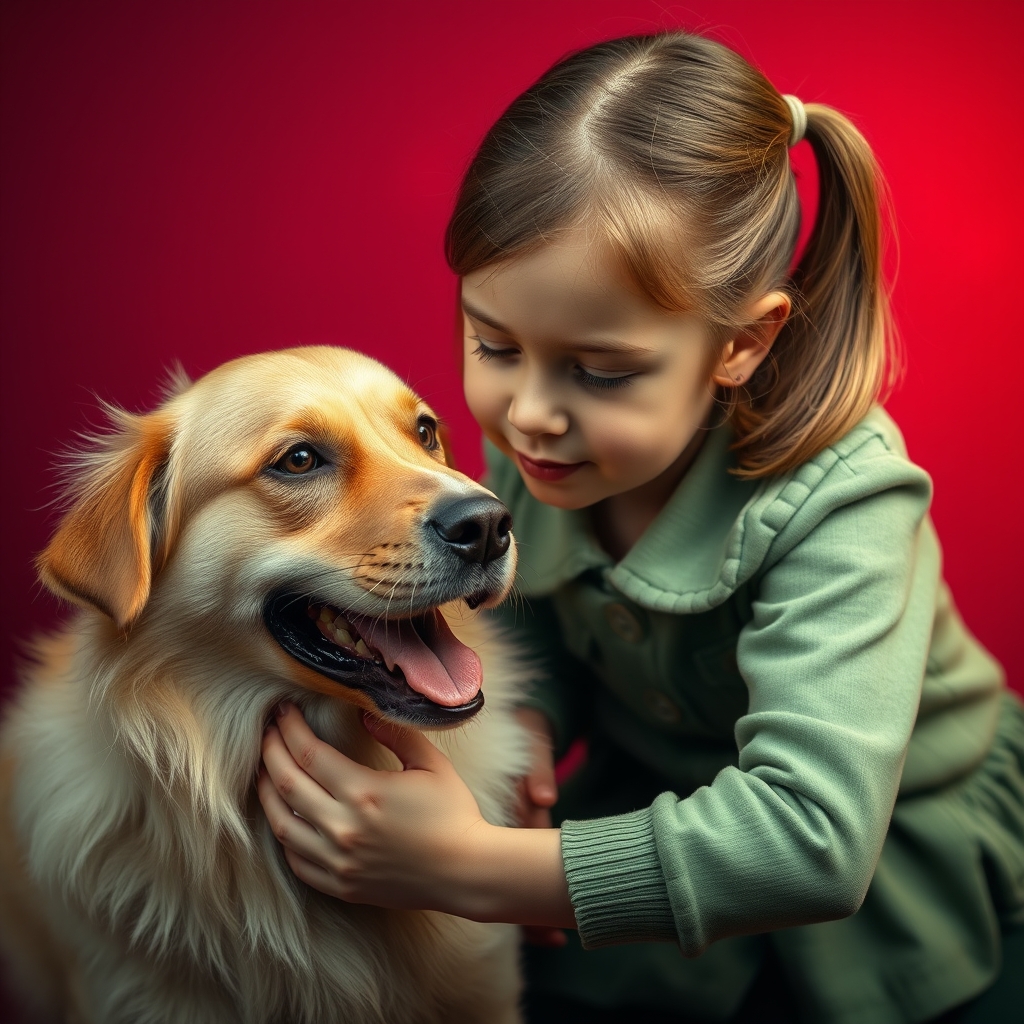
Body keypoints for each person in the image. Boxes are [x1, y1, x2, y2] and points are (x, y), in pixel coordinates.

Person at [257, 30, 1024, 1024]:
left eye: (600, 369)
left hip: (902, 883)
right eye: (493, 342)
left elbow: (812, 839)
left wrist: (470, 866)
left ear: (740, 343)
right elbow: (542, 613)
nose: (528, 410)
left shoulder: (848, 501)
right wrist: (530, 720)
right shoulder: (548, 450)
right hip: (646, 841)